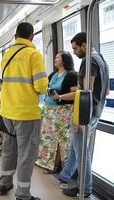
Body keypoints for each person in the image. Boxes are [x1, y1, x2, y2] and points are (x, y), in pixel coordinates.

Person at [0, 22, 48, 200]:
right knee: (26, 154)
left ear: (15, 36)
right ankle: (23, 194)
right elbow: (41, 86)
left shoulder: (6, 55)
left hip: (7, 112)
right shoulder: (33, 55)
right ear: (31, 36)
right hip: (26, 114)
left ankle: (4, 183)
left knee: (9, 149)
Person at [57, 32, 109, 198]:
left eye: (75, 48)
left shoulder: (88, 61)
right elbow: (106, 90)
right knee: (76, 146)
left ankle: (85, 188)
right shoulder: (101, 59)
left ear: (84, 45)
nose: (74, 52)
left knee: (81, 150)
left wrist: (82, 118)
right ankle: (65, 176)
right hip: (97, 109)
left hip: (86, 112)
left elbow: (86, 91)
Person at [36, 51, 78, 174]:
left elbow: (75, 94)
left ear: (64, 60)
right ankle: (48, 163)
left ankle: (58, 166)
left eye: (57, 58)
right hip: (50, 110)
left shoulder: (71, 75)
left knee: (61, 139)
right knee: (48, 138)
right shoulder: (53, 74)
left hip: (63, 112)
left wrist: (59, 97)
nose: (55, 60)